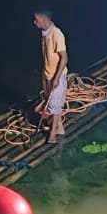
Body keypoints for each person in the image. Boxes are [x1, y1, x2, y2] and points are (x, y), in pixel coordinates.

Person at [34, 8, 68, 144]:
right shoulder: (44, 34)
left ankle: (52, 134)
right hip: (47, 74)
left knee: (55, 106)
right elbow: (46, 57)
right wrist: (45, 76)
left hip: (57, 75)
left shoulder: (56, 34)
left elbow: (64, 58)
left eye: (36, 19)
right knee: (51, 102)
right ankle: (60, 128)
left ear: (44, 18)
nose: (34, 22)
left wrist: (56, 78)